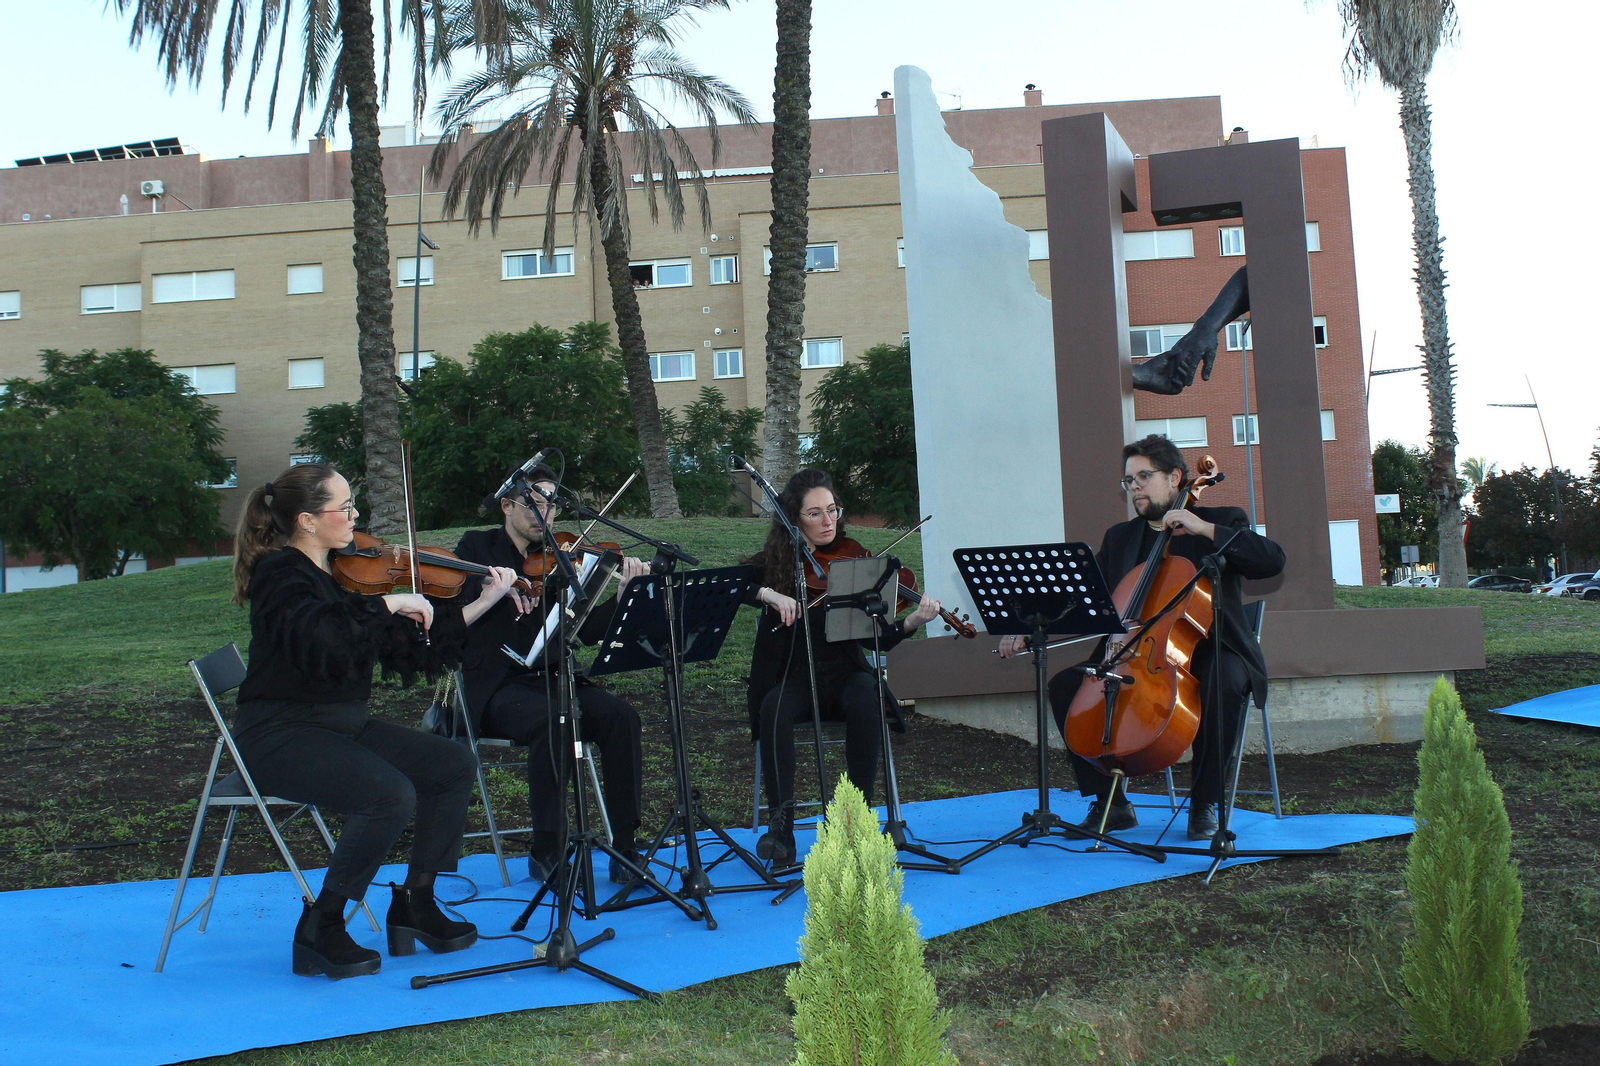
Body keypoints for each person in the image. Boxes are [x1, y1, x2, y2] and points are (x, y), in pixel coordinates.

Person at [230, 463, 484, 981]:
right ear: (306, 520)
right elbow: (325, 636)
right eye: (342, 508)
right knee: (389, 794)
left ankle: (415, 899)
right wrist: (390, 601)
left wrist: (480, 602)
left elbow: (392, 646)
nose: (354, 516)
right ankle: (321, 925)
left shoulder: (330, 578)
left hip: (338, 726)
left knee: (451, 763)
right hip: (279, 734)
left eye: (352, 506)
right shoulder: (279, 574)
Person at [1000, 435, 1285, 841]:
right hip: (1139, 654)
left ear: (1175, 478)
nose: (1134, 486)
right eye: (1128, 480)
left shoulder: (1223, 519)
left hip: (1214, 645)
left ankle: (1205, 803)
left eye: (1143, 476)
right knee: (1065, 685)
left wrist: (1204, 528)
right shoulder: (1120, 539)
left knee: (1222, 678)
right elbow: (1083, 600)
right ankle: (1111, 804)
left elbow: (1272, 561)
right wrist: (1030, 629)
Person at [453, 464, 651, 883]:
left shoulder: (562, 558)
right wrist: (498, 591)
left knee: (621, 717)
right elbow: (459, 610)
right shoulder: (477, 547)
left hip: (554, 679)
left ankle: (626, 846)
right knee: (555, 721)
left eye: (551, 504)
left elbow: (587, 631)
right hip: (498, 687)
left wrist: (621, 598)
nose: (545, 513)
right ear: (507, 505)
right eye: (534, 503)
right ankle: (547, 847)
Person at [742, 469, 942, 864]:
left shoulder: (857, 562)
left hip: (845, 675)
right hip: (795, 679)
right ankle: (781, 827)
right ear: (793, 519)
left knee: (868, 694)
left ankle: (857, 816)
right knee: (773, 709)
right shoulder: (777, 564)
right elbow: (732, 586)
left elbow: (874, 638)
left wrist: (911, 622)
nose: (828, 521)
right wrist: (768, 594)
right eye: (814, 513)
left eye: (832, 510)